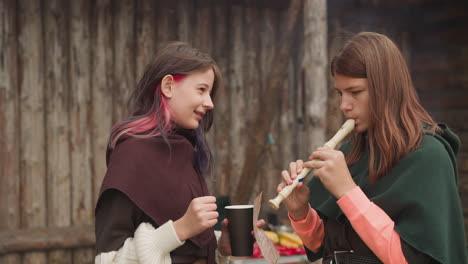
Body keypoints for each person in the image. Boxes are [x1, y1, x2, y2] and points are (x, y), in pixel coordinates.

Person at [278, 32, 467, 264]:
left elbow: (408, 258)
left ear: (386, 89)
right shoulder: (351, 153)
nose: (343, 105)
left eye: (355, 92)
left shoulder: (429, 157)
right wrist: (301, 213)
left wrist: (347, 191)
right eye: (340, 93)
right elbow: (325, 244)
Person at [94, 42, 247, 264]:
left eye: (210, 93)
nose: (210, 103)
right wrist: (179, 229)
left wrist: (220, 248)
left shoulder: (185, 150)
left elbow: (185, 252)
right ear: (168, 86)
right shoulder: (131, 155)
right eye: (202, 90)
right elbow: (108, 259)